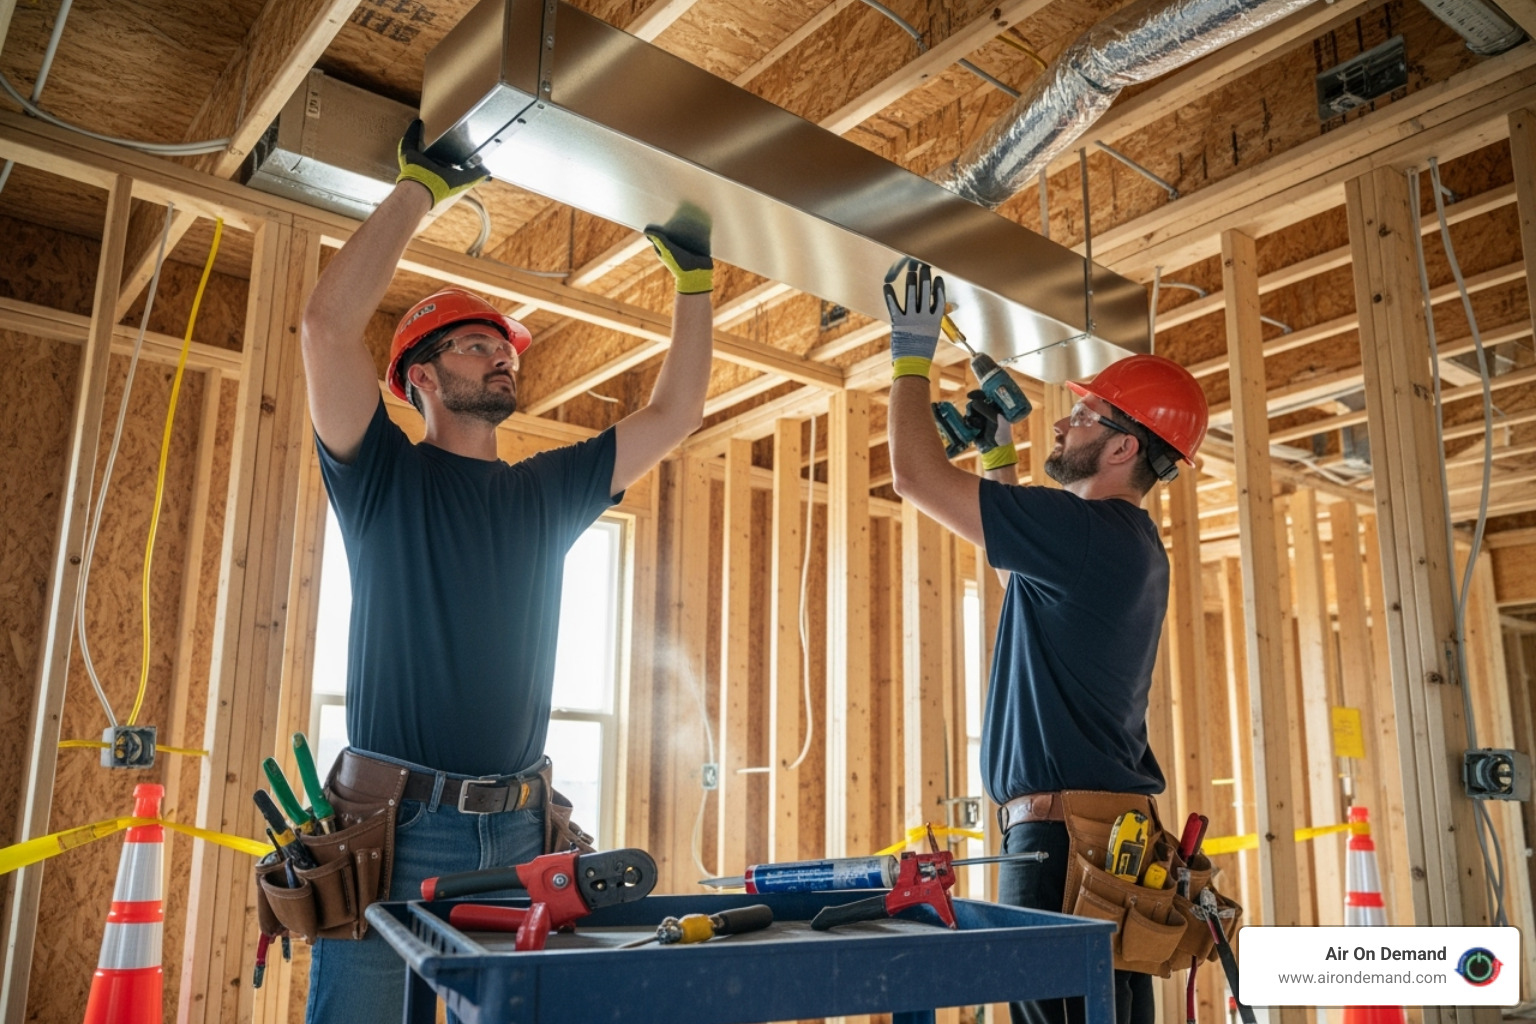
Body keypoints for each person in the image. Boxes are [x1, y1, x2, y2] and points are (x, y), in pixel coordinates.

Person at [297, 120, 715, 1022]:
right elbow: (327, 326)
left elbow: (676, 409)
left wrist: (693, 278)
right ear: (420, 377)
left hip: (523, 825)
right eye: (476, 344)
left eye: (505, 347)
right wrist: (422, 187)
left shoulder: (544, 493)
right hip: (394, 829)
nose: (503, 355)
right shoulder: (382, 479)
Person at [883, 263, 1209, 1024]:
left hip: (1064, 840)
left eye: (1087, 416)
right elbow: (1021, 586)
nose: (1062, 426)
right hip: (1089, 836)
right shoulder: (1119, 543)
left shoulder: (1087, 534)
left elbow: (914, 475)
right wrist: (996, 455)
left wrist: (909, 352)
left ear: (1125, 448)